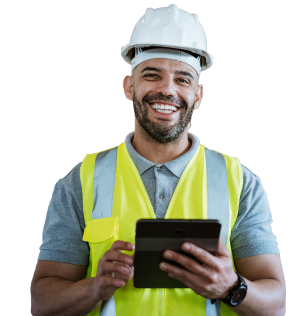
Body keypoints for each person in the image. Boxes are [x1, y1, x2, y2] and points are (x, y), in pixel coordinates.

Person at [30, 4, 286, 316]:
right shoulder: (80, 180)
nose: (167, 89)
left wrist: (231, 287)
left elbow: (276, 304)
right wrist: (95, 286)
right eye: (152, 75)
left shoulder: (240, 181)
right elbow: (43, 303)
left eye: (183, 79)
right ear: (128, 86)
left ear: (198, 95)